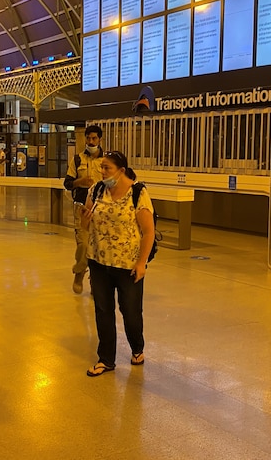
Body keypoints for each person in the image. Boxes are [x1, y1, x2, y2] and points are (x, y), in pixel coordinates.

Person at [80, 150, 155, 378]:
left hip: (127, 264)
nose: (102, 172)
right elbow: (85, 226)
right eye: (101, 167)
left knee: (130, 312)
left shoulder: (138, 193)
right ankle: (106, 359)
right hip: (99, 261)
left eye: (107, 168)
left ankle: (137, 348)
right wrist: (86, 217)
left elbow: (148, 231)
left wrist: (142, 262)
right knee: (103, 311)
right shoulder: (97, 190)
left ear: (121, 171)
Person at [64, 125, 105, 294]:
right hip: (81, 208)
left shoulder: (107, 161)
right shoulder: (78, 159)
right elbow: (67, 183)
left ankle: (96, 282)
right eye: (88, 138)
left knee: (99, 246)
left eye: (94, 138)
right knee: (83, 244)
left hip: (102, 208)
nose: (90, 141)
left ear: (100, 139)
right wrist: (80, 182)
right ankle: (79, 271)